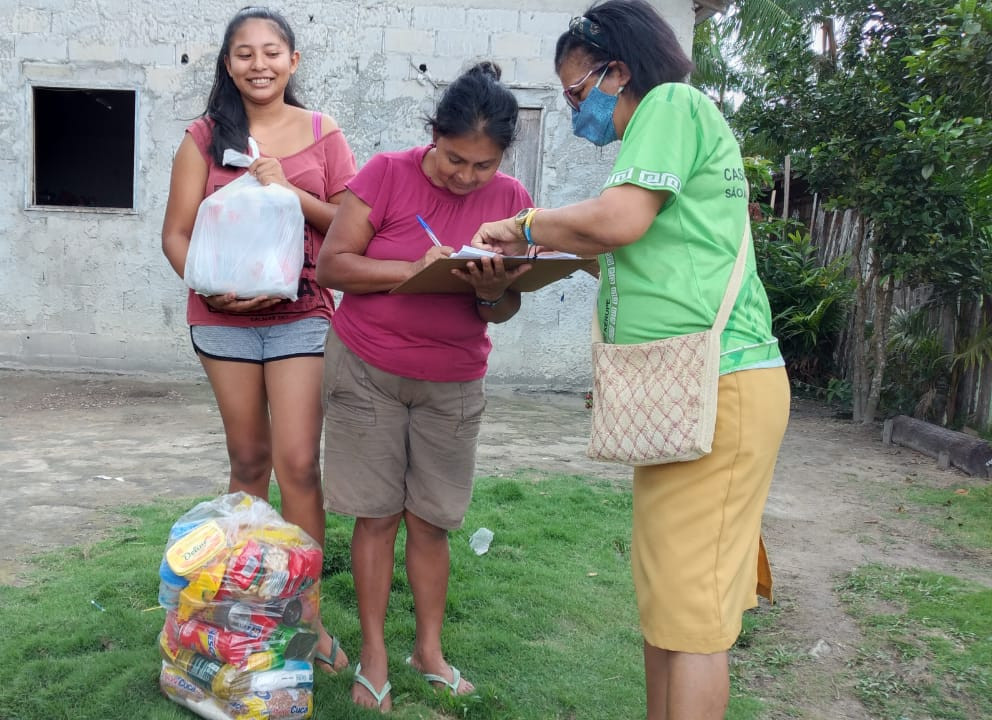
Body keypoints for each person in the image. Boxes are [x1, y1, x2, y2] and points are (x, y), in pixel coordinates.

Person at [471, 2, 790, 718]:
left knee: (695, 617)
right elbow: (645, 258)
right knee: (668, 602)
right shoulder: (663, 137)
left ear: (618, 69)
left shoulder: (672, 105)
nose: (576, 108)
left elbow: (617, 223)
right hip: (690, 386)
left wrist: (526, 224)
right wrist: (541, 258)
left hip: (719, 383)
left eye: (578, 92)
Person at [315, 62, 534, 713]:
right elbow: (333, 264)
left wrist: (496, 290)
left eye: (483, 165)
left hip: (454, 381)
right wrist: (414, 267)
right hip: (367, 369)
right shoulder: (386, 172)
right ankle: (375, 654)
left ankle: (428, 652)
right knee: (377, 516)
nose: (467, 177)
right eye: (454, 158)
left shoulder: (513, 200)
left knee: (432, 522)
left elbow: (505, 308)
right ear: (431, 134)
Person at [160, 5, 356, 673]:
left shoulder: (324, 136)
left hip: (302, 314)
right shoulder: (204, 138)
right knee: (249, 462)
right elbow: (176, 233)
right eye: (244, 53)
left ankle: (306, 621)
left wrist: (292, 191)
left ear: (293, 62)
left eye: (272, 52)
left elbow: (350, 230)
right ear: (228, 64)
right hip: (222, 322)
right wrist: (209, 287)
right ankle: (242, 605)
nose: (259, 63)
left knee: (299, 463)